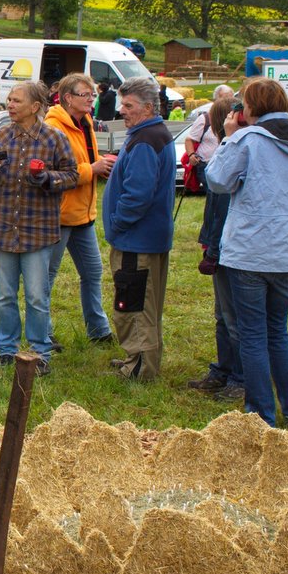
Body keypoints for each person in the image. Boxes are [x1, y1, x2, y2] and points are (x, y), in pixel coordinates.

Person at [205, 77, 288, 427]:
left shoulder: (248, 139)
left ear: (250, 108)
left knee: (252, 332)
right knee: (277, 330)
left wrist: (231, 137)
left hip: (250, 250)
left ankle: (261, 414)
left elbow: (216, 178)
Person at [0, 80, 77, 375]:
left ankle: (39, 351)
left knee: (37, 295)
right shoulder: (1, 135)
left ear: (35, 107)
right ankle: (7, 349)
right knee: (5, 295)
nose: (10, 105)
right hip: (3, 227)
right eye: (9, 100)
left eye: (16, 101)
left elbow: (72, 175)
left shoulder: (54, 139)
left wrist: (47, 178)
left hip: (38, 229)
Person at [101, 76, 176, 382]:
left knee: (135, 302)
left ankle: (141, 368)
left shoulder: (146, 140)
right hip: (144, 238)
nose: (122, 111)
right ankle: (137, 358)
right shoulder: (153, 134)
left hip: (137, 241)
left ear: (147, 107)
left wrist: (118, 223)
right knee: (142, 300)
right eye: (122, 104)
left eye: (129, 105)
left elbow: (138, 194)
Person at [44, 74, 116, 350]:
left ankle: (98, 329)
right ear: (68, 98)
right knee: (47, 276)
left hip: (83, 214)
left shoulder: (85, 122)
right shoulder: (53, 127)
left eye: (92, 95)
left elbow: (82, 160)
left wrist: (99, 163)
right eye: (85, 95)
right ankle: (43, 333)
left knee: (93, 271)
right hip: (60, 215)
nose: (91, 99)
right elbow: (55, 173)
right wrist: (92, 170)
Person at [187, 95, 245, 402]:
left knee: (233, 316)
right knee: (222, 314)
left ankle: (239, 377)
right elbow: (213, 204)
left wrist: (213, 248)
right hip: (218, 242)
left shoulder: (232, 152)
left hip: (228, 246)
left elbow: (223, 205)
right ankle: (223, 370)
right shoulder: (225, 150)